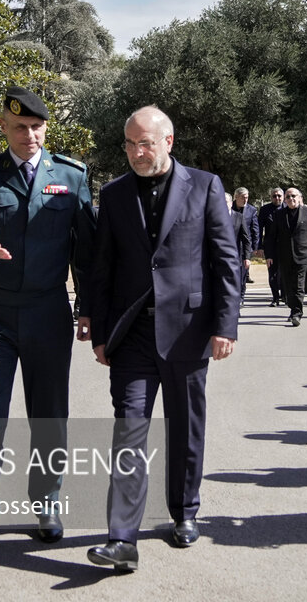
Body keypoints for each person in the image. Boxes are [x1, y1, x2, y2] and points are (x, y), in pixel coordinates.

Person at [84, 105, 240, 571]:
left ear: (168, 141)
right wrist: (93, 322)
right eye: (130, 144)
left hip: (188, 332)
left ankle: (184, 512)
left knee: (185, 427)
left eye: (145, 143)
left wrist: (224, 325)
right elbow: (102, 265)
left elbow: (225, 261)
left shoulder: (206, 186)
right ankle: (122, 538)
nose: (136, 152)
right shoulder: (113, 195)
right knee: (129, 428)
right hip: (131, 334)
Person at [0, 85, 96, 571]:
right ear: (4, 128)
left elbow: (86, 252)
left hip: (49, 315)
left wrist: (89, 308)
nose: (28, 135)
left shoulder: (71, 177)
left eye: (36, 127)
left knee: (49, 419)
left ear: (45, 128)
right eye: (19, 127)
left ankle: (47, 501)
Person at [265, 187, 307, 326]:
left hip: (302, 255)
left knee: (299, 285)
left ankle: (297, 313)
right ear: (285, 199)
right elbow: (271, 236)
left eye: (293, 196)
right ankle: (293, 309)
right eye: (288, 197)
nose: (291, 199)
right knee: (288, 285)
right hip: (284, 256)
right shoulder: (279, 214)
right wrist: (269, 255)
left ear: (300, 197)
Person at [259, 188, 285, 306]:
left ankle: (285, 296)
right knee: (273, 273)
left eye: (279, 196)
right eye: (274, 196)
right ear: (271, 197)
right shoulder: (265, 210)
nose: (277, 198)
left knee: (285, 272)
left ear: (283, 196)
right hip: (271, 246)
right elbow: (259, 229)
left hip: (286, 246)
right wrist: (259, 246)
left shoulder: (287, 208)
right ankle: (275, 298)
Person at [233, 187, 260, 300]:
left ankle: (241, 297)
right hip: (232, 245)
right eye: (243, 198)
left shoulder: (251, 210)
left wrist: (255, 247)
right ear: (236, 197)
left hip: (245, 246)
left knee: (243, 273)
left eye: (247, 198)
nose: (245, 200)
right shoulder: (228, 207)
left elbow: (255, 230)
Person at [227, 192, 252, 304]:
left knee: (237, 282)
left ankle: (237, 302)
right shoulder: (213, 216)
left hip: (235, 255)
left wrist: (247, 257)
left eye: (225, 202)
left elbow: (246, 239)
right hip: (218, 257)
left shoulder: (238, 217)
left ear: (230, 203)